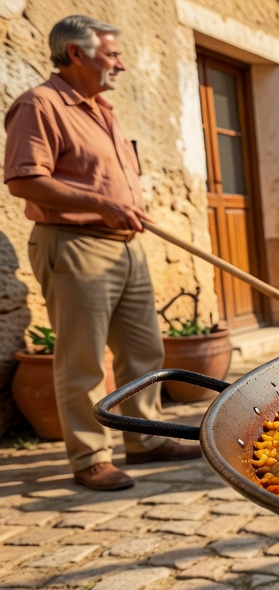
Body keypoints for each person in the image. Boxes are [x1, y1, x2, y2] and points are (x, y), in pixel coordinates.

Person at [4, 15, 200, 490]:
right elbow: (24, 179)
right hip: (75, 245)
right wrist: (101, 203)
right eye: (112, 54)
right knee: (84, 358)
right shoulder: (40, 104)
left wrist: (126, 206)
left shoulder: (103, 109)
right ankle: (90, 455)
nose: (122, 64)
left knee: (142, 349)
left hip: (125, 246)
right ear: (75, 53)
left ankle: (146, 437)